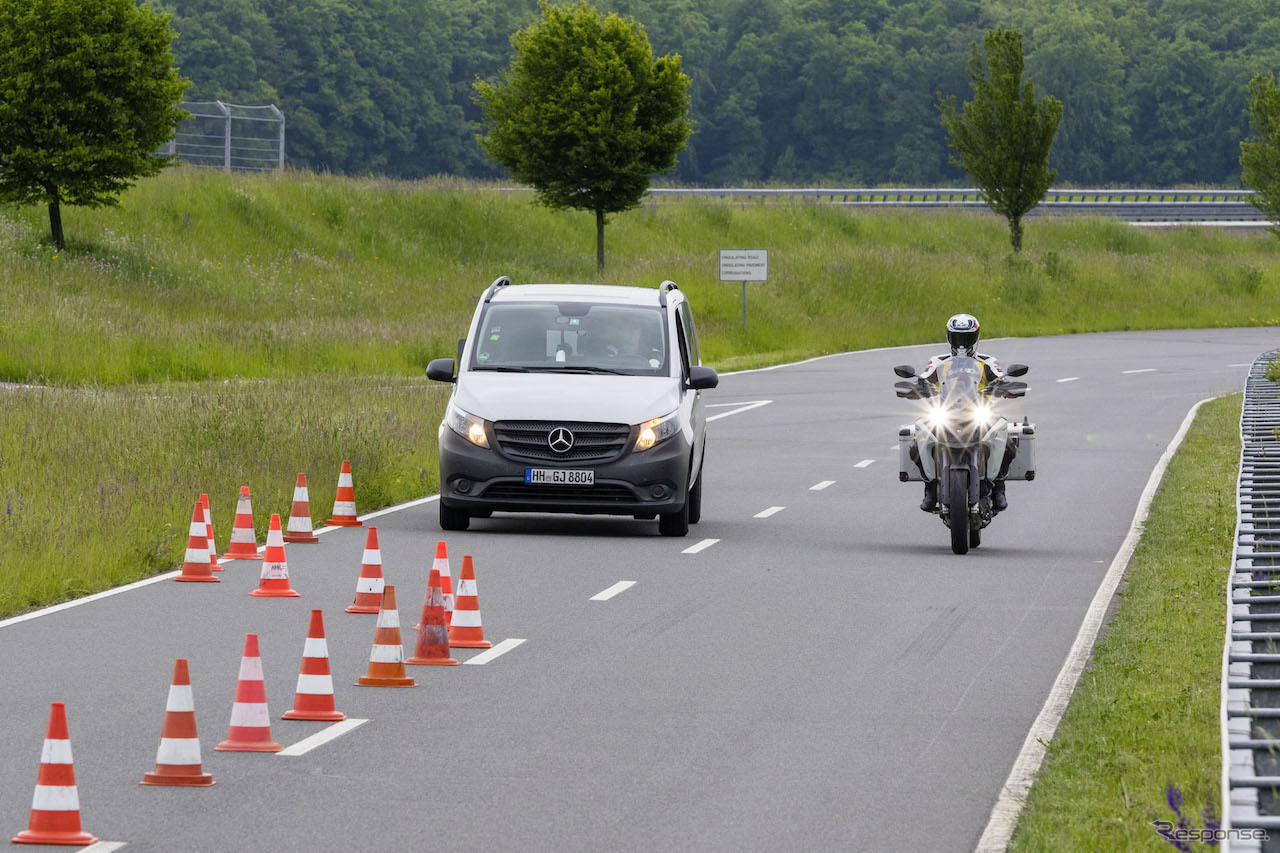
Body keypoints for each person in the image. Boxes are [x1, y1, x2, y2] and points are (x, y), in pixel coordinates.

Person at [917, 313, 1016, 513]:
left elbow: (1001, 378)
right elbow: (923, 379)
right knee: (917, 438)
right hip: (946, 411)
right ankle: (930, 488)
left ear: (976, 338)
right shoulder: (938, 361)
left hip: (979, 411)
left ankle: (998, 487)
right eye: (957, 337)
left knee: (1008, 440)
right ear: (949, 337)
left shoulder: (987, 361)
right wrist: (916, 388)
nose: (961, 343)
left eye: (966, 338)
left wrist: (1007, 387)